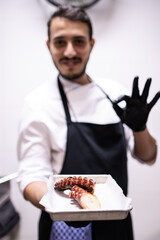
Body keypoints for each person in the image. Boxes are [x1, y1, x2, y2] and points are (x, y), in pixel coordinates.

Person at [17, 5, 160, 240]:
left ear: (91, 44)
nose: (70, 52)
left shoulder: (115, 93)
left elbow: (148, 156)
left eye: (79, 42)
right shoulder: (38, 102)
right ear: (49, 45)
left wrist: (139, 129)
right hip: (63, 224)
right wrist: (62, 208)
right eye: (60, 42)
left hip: (116, 224)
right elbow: (31, 176)